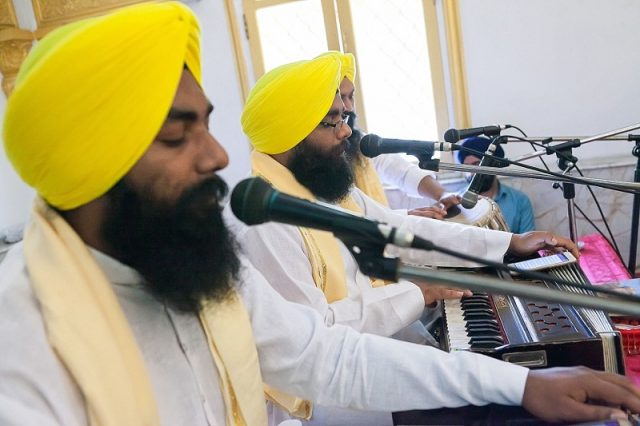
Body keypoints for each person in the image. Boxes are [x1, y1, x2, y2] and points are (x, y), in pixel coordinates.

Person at [2, 3, 639, 426]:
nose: (218, 155)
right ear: (95, 166)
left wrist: (519, 386)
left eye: (208, 127)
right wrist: (419, 293)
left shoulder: (184, 261)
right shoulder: (23, 356)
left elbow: (327, 355)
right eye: (177, 138)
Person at [236, 52, 608, 424]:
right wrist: (417, 291)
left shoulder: (321, 186)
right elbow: (317, 344)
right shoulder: (265, 223)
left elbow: (399, 232)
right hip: (338, 404)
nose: (346, 131)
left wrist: (508, 244)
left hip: (382, 356)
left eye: (344, 117)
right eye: (331, 122)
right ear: (289, 135)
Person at [335, 51, 460, 220]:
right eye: (342, 98)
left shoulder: (360, 143)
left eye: (351, 96)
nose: (349, 107)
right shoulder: (319, 154)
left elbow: (402, 171)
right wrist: (405, 217)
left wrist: (442, 194)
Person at [457, 136, 536, 233]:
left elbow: (529, 240)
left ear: (493, 165)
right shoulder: (456, 202)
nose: (471, 173)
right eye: (466, 167)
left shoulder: (519, 200)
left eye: (477, 164)